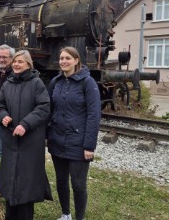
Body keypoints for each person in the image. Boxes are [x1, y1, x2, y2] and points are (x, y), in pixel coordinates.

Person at [0, 50, 52, 220]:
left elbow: (43, 108)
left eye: (21, 62)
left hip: (30, 142)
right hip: (11, 141)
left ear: (29, 64)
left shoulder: (37, 83)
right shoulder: (8, 83)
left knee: (27, 184)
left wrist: (25, 124)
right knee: (10, 180)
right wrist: (2, 116)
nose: (16, 64)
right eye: (15, 62)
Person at [47, 47, 101, 220]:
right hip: (57, 140)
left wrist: (89, 146)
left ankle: (79, 217)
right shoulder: (56, 82)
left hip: (78, 143)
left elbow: (94, 115)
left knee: (78, 184)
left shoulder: (88, 83)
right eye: (61, 58)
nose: (63, 61)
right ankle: (66, 214)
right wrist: (47, 135)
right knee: (61, 182)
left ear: (77, 60)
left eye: (68, 58)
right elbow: (49, 110)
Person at [0, 44, 15, 157]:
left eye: (4, 57)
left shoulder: (16, 74)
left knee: (13, 151)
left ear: (12, 58)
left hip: (13, 119)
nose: (1, 59)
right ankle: (5, 174)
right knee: (1, 151)